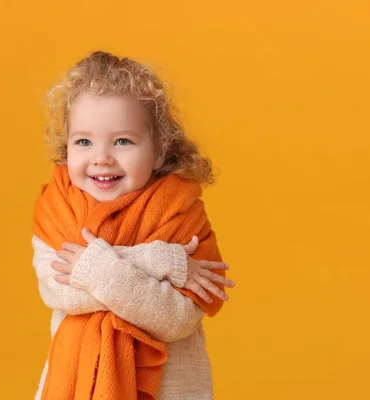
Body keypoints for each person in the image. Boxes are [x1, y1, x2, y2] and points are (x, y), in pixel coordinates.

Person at [31, 50, 235, 399]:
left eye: (122, 141)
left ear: (158, 151)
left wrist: (93, 266)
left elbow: (176, 319)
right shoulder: (57, 211)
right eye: (83, 141)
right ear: (66, 147)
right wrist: (163, 261)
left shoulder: (181, 214)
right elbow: (64, 293)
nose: (101, 157)